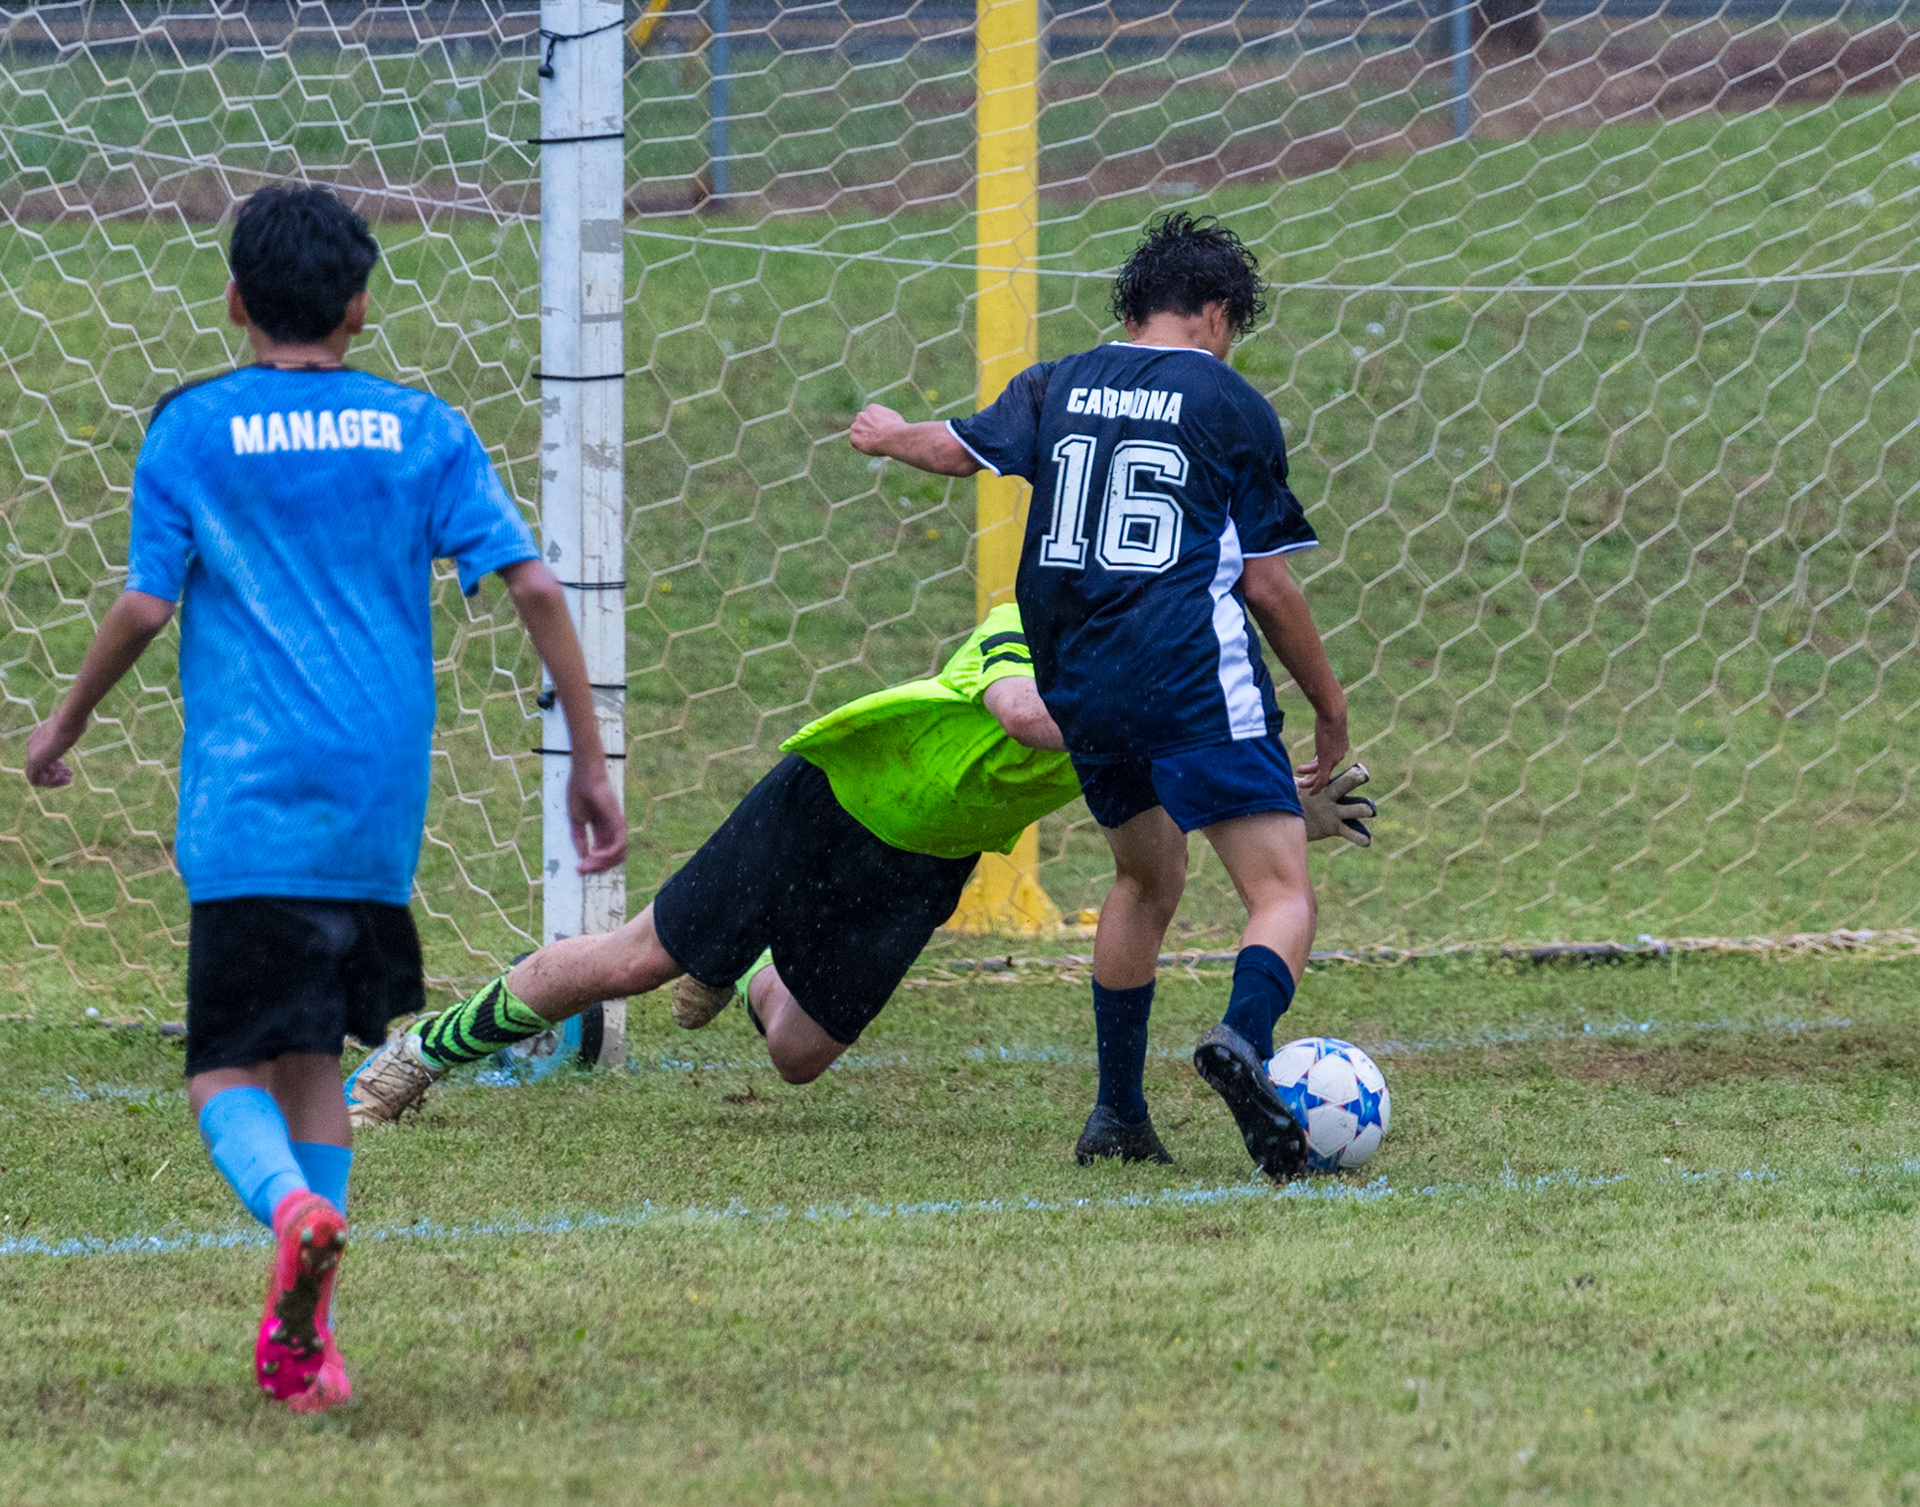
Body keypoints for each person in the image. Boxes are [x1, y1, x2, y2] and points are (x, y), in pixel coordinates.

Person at [22, 185, 626, 1411]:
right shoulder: (423, 428)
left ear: (233, 299)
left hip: (248, 804)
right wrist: (588, 758)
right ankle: (306, 1347)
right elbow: (535, 587)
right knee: (310, 1064)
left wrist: (64, 721)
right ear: (360, 305)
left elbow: (145, 603)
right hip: (372, 809)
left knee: (221, 1071)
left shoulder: (192, 428)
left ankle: (293, 1209)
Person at [346, 602, 1375, 1161]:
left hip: (925, 867)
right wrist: (1169, 727)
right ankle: (415, 1058)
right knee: (636, 960)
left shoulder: (1156, 689)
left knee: (796, 1053)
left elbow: (1174, 803)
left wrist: (1277, 801)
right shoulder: (1034, 616)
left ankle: (750, 963)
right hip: (831, 799)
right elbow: (1023, 715)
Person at [847, 211, 1349, 1182]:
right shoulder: (1230, 401)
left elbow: (955, 448)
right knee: (1282, 892)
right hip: (1188, 672)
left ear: (1132, 308)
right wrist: (1329, 708)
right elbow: (1268, 585)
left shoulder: (1058, 381)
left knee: (1144, 881)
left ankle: (1118, 1113)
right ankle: (1244, 1039)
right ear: (1217, 312)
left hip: (1082, 681)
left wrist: (886, 433)